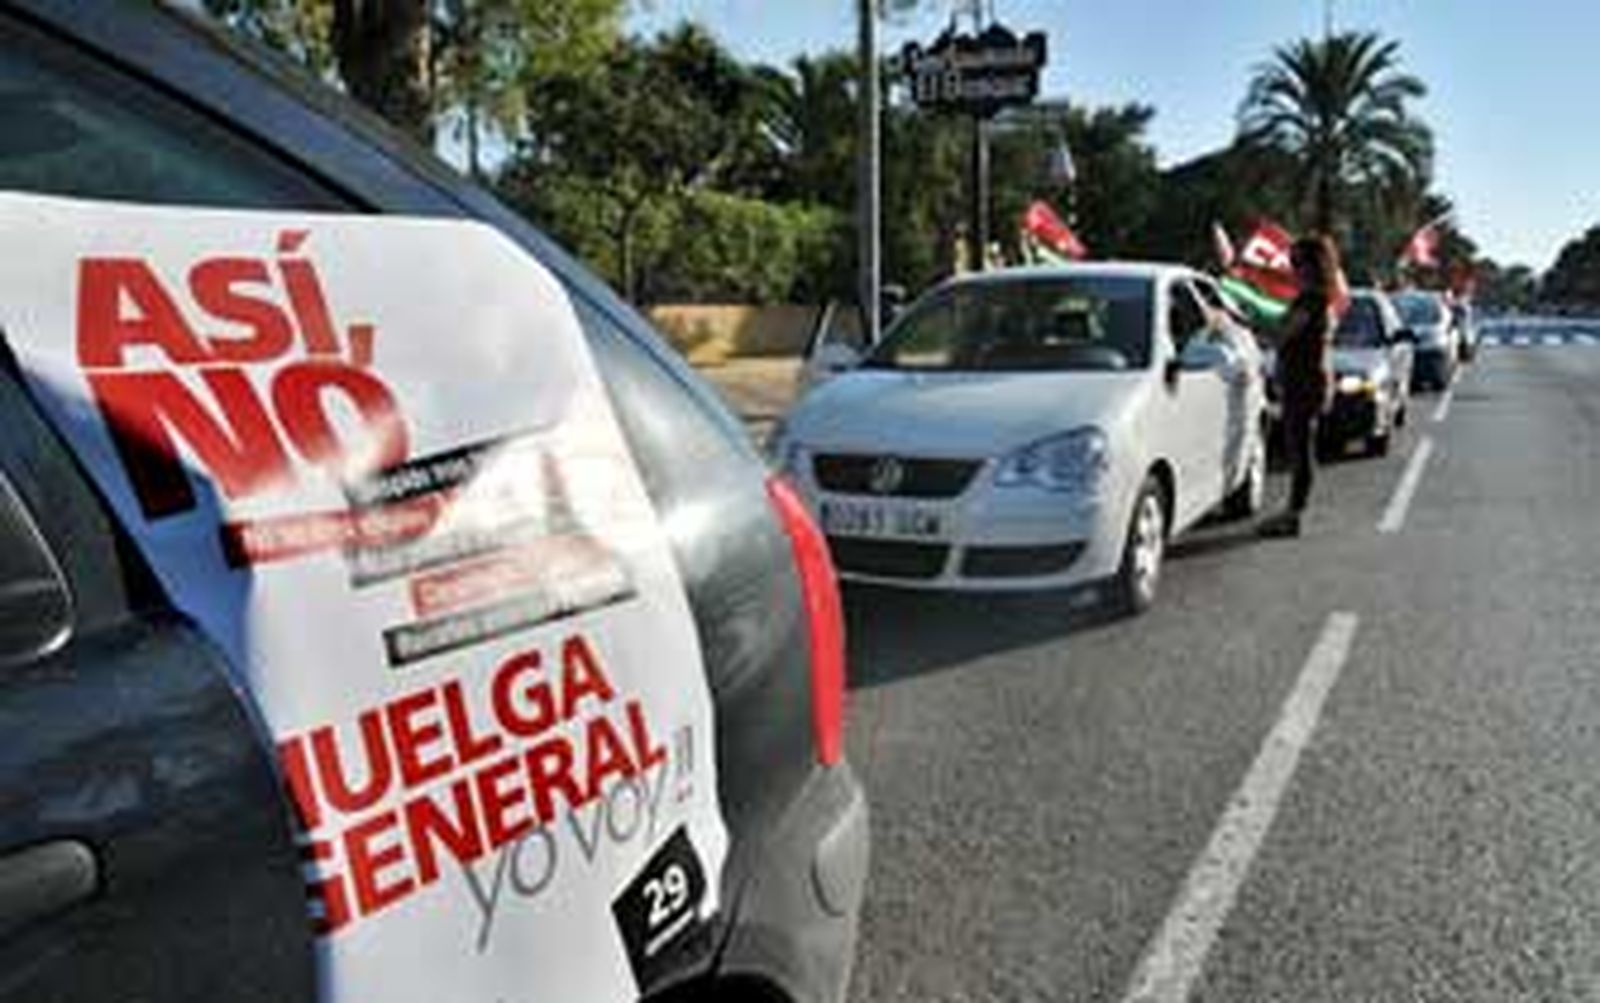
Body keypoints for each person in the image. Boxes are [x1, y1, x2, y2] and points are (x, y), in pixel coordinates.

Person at [1260, 235, 1344, 538]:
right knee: (1300, 449)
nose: (1292, 269)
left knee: (1300, 450)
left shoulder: (1311, 301)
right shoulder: (1323, 299)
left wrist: (1248, 322)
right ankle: (1294, 511)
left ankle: (1293, 515)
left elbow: (1282, 335)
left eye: (1296, 262)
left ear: (1311, 266)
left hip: (1304, 383)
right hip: (1311, 380)